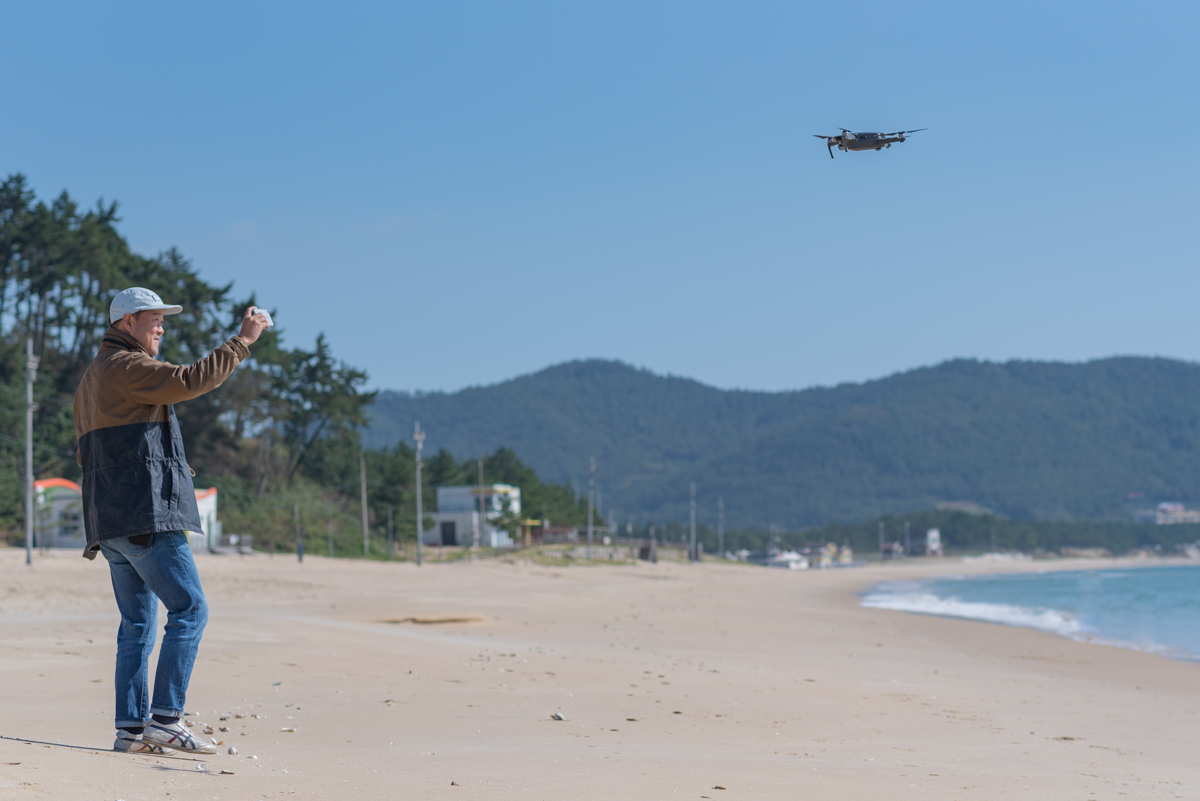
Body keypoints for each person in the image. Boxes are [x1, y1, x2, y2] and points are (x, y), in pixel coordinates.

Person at [73, 287, 269, 755]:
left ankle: (130, 730)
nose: (161, 327)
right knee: (190, 610)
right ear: (127, 323)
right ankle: (165, 719)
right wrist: (242, 341)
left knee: (137, 626)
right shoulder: (127, 366)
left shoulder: (92, 376)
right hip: (145, 515)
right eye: (154, 319)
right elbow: (190, 379)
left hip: (110, 521)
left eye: (163, 319)